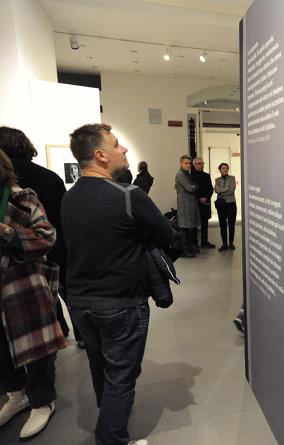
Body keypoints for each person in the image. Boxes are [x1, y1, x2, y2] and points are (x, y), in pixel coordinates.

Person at [61, 123, 176, 445]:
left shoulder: (70, 197)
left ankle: (109, 416)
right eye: (116, 145)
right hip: (121, 304)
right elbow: (168, 236)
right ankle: (111, 437)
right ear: (100, 155)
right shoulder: (129, 196)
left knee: (101, 367)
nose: (123, 149)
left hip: (81, 305)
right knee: (121, 376)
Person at [0, 149, 66, 439]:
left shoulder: (20, 197)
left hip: (21, 285)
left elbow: (46, 236)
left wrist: (8, 233)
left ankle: (42, 399)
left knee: (37, 348)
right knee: (1, 349)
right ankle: (16, 394)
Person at [0, 126, 79, 345]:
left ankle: (56, 330)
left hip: (19, 257)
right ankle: (79, 334)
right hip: (55, 247)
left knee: (37, 299)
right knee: (65, 289)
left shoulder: (8, 183)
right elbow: (63, 216)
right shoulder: (49, 177)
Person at [175, 155, 199, 257]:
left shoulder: (187, 174)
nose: (188, 165)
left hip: (189, 205)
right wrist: (194, 186)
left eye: (189, 163)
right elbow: (190, 188)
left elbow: (195, 185)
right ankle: (184, 252)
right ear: (181, 163)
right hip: (185, 206)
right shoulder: (180, 175)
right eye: (186, 163)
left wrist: (194, 186)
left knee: (188, 229)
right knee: (184, 230)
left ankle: (188, 248)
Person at [191, 157, 215, 249]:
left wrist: (206, 198)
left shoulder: (206, 175)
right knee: (194, 224)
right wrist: (200, 198)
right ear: (195, 165)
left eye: (202, 163)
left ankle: (204, 242)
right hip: (195, 203)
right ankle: (194, 244)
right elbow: (193, 190)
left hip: (205, 203)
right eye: (199, 163)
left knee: (205, 223)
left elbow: (210, 188)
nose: (202, 165)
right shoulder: (191, 176)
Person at [214, 163, 236, 251]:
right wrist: (226, 188)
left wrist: (221, 191)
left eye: (227, 168)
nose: (225, 169)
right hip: (221, 204)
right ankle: (224, 243)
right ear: (220, 169)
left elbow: (232, 190)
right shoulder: (217, 179)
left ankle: (231, 242)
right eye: (223, 168)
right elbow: (216, 190)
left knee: (231, 224)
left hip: (231, 203)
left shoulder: (232, 178)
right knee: (222, 224)